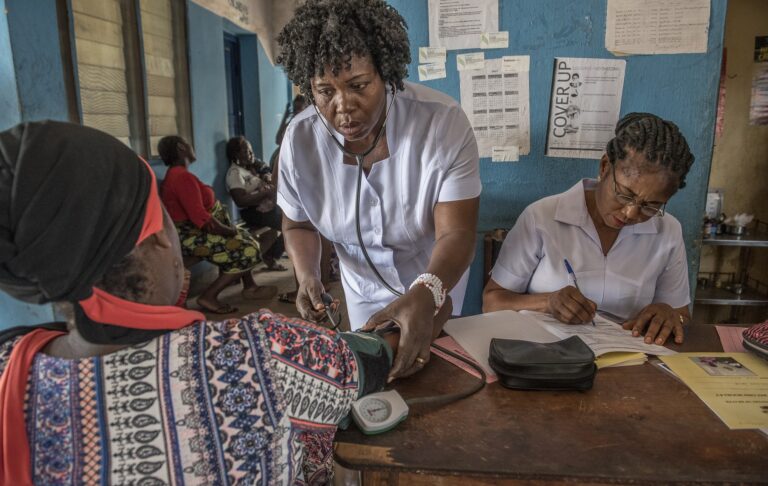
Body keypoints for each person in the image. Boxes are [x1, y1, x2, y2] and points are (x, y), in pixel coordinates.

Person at [0, 121, 445, 484]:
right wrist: (429, 301)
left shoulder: (9, 366)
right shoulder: (258, 355)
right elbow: (371, 358)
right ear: (157, 236)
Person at [276, 0, 481, 379]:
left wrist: (429, 293)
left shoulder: (441, 122)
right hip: (361, 290)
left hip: (434, 279)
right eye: (324, 91)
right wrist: (307, 276)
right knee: (373, 372)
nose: (343, 107)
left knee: (436, 376)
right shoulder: (299, 141)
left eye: (359, 86)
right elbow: (297, 225)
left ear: (385, 73)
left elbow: (458, 232)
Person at [484, 113, 695, 346]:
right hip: (545, 356)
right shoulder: (542, 218)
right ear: (605, 167)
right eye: (624, 194)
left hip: (628, 360)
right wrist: (547, 302)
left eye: (651, 205)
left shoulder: (669, 231)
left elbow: (681, 315)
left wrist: (669, 314)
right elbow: (492, 302)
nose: (630, 213)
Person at [158, 135, 276, 314]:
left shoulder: (179, 175)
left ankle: (250, 287)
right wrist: (229, 231)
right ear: (182, 148)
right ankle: (208, 296)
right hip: (192, 237)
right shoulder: (181, 178)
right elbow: (203, 220)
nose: (193, 147)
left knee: (245, 239)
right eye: (189, 144)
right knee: (249, 248)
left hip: (192, 234)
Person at [225, 135, 286, 271]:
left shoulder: (252, 168)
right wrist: (265, 193)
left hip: (267, 207)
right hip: (253, 211)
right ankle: (271, 256)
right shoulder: (234, 173)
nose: (251, 153)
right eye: (246, 151)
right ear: (236, 154)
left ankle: (270, 255)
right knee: (290, 225)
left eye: (251, 150)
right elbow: (240, 201)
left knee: (292, 220)